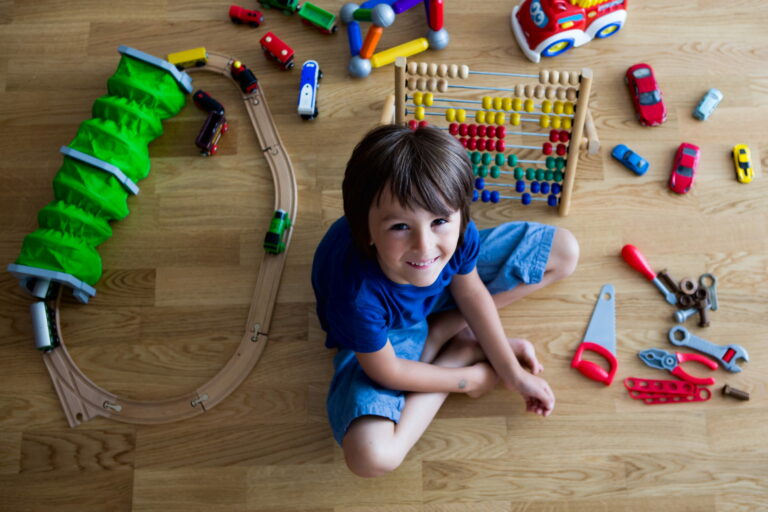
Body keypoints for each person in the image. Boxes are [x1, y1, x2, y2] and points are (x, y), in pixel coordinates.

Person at [311, 124, 579, 477]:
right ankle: (454, 345)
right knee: (372, 456)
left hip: (437, 292)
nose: (425, 246)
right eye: (399, 227)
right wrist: (467, 380)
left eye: (439, 220)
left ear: (460, 214)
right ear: (366, 229)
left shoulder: (458, 237)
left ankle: (447, 329)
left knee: (564, 252)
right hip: (389, 331)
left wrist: (512, 375)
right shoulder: (358, 297)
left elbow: (469, 290)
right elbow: (388, 371)